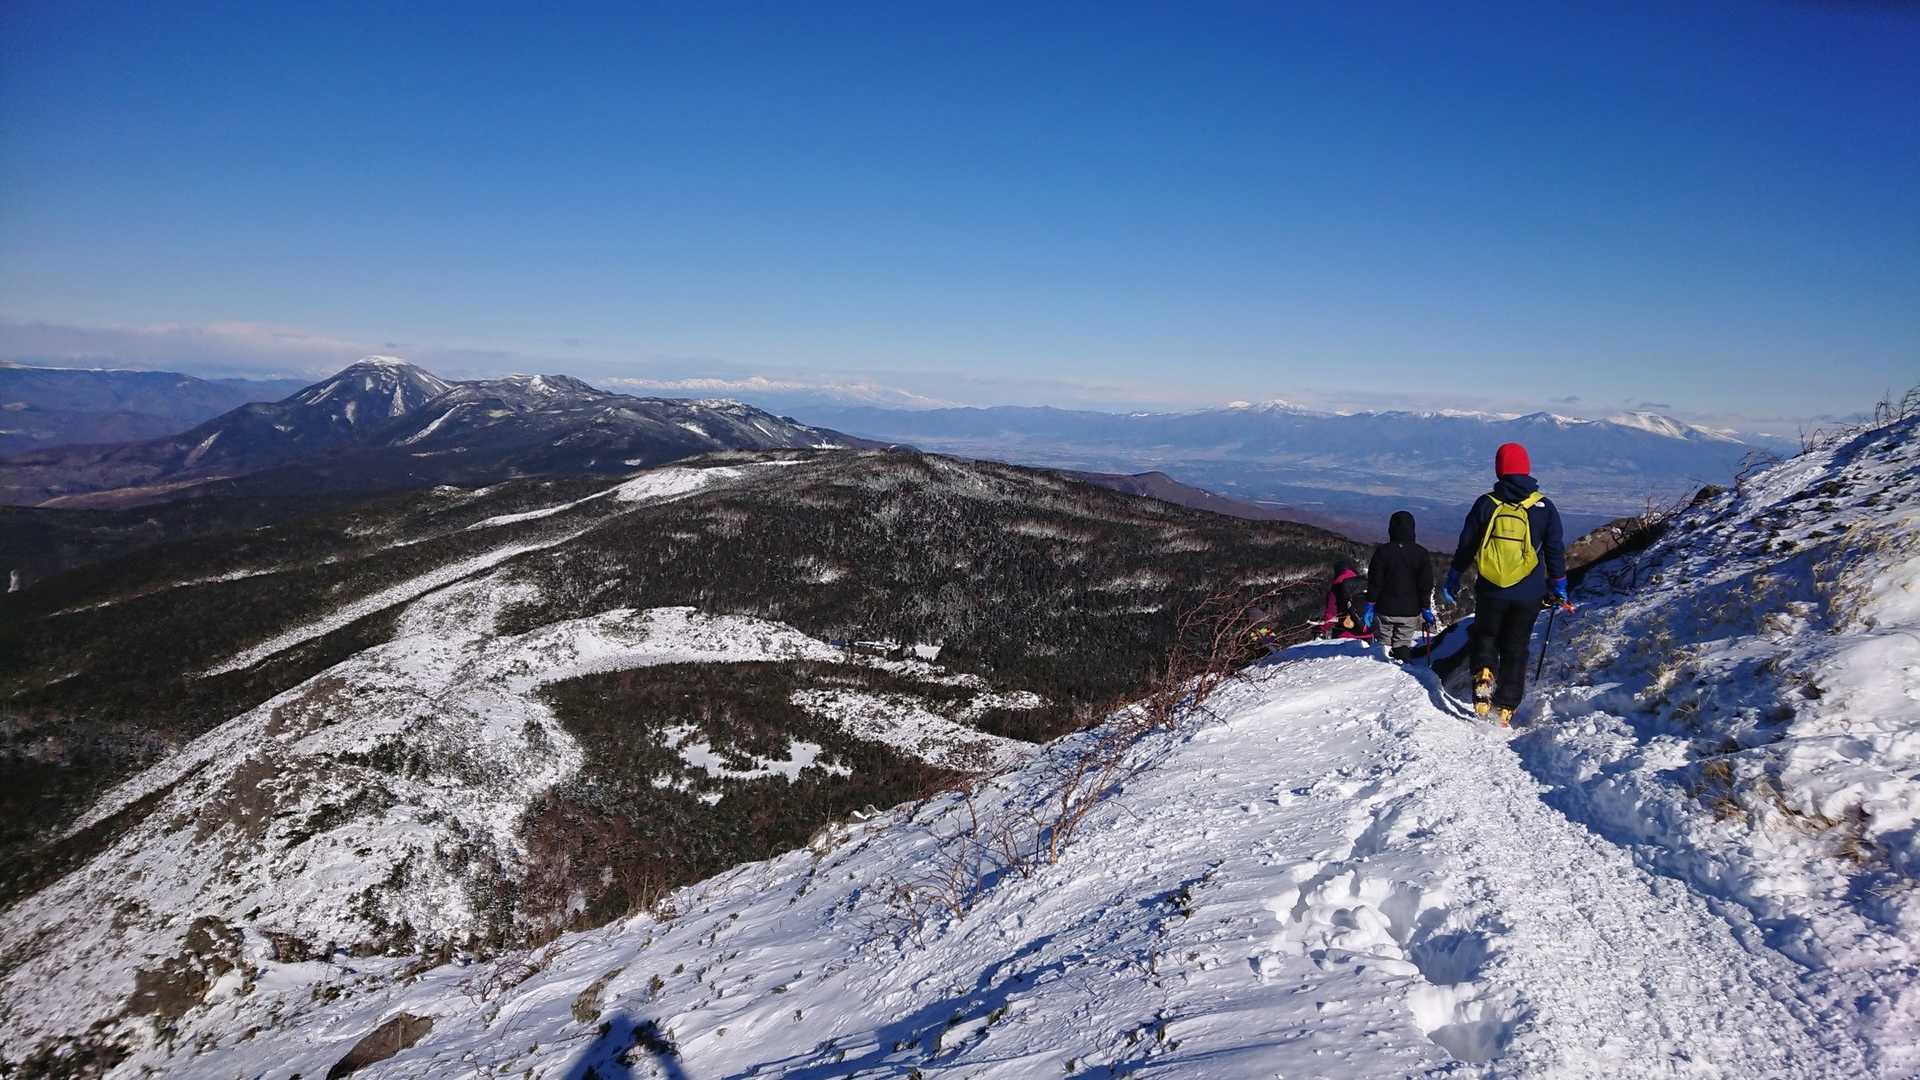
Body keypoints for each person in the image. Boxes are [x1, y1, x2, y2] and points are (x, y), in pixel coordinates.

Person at [1441, 442, 1568, 725]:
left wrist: (1454, 575)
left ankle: (1484, 672)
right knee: (1516, 645)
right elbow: (1554, 549)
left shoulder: (1486, 503)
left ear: (1499, 469)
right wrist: (1559, 584)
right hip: (1529, 592)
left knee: (1485, 635)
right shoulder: (1544, 507)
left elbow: (1467, 544)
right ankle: (1506, 706)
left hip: (1491, 589)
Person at [1363, 510, 1437, 661]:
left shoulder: (1382, 552)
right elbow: (1425, 585)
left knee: (1383, 646)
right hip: (1410, 611)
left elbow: (1375, 581)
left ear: (1391, 529)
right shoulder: (1421, 553)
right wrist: (1425, 607)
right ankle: (1402, 663)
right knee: (1402, 644)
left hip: (1385, 608)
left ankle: (1381, 667)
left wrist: (1370, 603)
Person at [1321, 561, 1372, 640]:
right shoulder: (1363, 583)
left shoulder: (1337, 586)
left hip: (1345, 635)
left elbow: (1330, 614)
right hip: (1368, 634)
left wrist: (1321, 628)